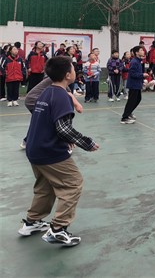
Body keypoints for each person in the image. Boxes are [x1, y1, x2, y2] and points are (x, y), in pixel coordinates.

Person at [18, 56, 100, 246]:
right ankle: (58, 229)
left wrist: (66, 138)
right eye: (73, 68)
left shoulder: (47, 91)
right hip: (50, 151)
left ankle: (32, 222)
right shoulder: (61, 96)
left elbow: (52, 123)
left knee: (45, 186)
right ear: (67, 75)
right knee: (73, 183)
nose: (75, 71)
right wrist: (86, 142)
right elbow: (63, 128)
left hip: (34, 148)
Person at [121, 46, 145, 124]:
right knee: (131, 101)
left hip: (137, 84)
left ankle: (129, 112)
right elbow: (132, 74)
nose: (143, 51)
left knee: (138, 99)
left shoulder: (138, 61)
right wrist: (142, 75)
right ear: (137, 53)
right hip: (133, 84)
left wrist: (142, 81)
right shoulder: (134, 62)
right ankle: (125, 117)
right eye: (141, 50)